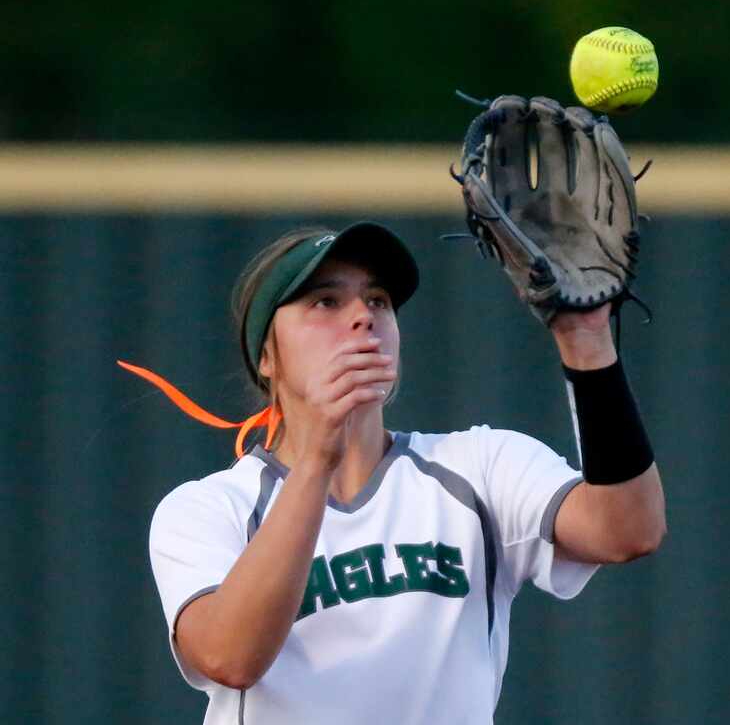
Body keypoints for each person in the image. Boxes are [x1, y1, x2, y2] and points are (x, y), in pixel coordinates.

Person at [133, 220, 666, 725]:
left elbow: (628, 530)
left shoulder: (477, 469)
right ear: (266, 357)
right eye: (325, 300)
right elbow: (229, 657)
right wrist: (319, 455)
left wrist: (587, 341)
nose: (363, 316)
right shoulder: (209, 508)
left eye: (378, 300)